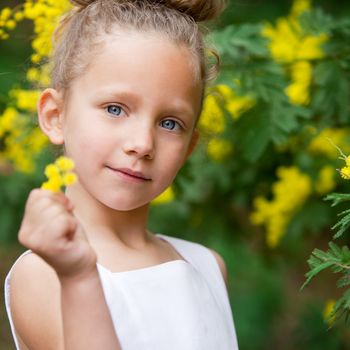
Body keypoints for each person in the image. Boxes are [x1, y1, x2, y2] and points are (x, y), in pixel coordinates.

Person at [4, 0, 239, 349]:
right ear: (55, 114)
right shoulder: (45, 274)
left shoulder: (206, 266)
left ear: (190, 146)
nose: (142, 143)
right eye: (115, 109)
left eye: (170, 123)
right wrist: (80, 277)